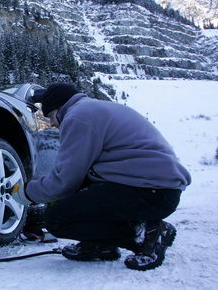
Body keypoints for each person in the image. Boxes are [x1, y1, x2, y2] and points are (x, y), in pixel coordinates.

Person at [11, 83, 191, 271]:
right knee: (78, 194)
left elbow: (64, 181)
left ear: (60, 107)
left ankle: (146, 234)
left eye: (50, 116)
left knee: (57, 219)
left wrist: (26, 193)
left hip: (151, 192)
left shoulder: (78, 117)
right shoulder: (93, 109)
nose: (52, 124)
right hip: (155, 189)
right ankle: (101, 246)